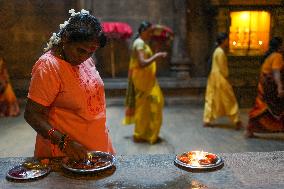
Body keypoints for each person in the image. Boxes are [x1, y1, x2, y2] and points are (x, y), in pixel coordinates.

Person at [24, 9, 115, 160]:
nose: (84, 57)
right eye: (81, 50)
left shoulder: (84, 59)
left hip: (97, 147)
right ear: (65, 38)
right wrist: (64, 142)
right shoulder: (49, 67)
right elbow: (32, 114)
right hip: (66, 154)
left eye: (90, 52)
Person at [123, 21, 167, 144]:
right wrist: (157, 55)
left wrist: (156, 51)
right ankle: (140, 134)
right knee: (145, 107)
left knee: (151, 105)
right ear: (142, 31)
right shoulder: (139, 43)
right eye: (149, 32)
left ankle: (146, 133)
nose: (151, 34)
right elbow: (142, 63)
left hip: (148, 80)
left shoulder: (143, 44)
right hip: (142, 82)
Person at [245, 37, 284, 138]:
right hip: (271, 88)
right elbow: (276, 72)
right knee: (264, 108)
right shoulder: (277, 56)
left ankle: (251, 129)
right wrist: (280, 87)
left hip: (265, 87)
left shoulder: (270, 56)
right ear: (279, 46)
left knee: (262, 107)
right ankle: (251, 128)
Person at [203, 32, 242, 129]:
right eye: (227, 40)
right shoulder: (220, 52)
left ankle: (207, 119)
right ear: (224, 40)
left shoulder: (216, 51)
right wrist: (227, 77)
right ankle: (236, 120)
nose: (228, 41)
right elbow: (223, 68)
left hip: (213, 78)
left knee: (211, 98)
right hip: (220, 78)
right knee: (229, 99)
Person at [0, 48, 20, 117]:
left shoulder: (1, 60)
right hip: (2, 80)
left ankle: (10, 111)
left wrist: (5, 80)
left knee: (8, 95)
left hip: (3, 80)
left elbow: (3, 71)